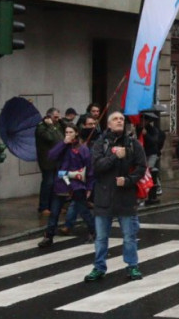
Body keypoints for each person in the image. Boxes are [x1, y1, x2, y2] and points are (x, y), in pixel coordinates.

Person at [85, 111, 146, 282]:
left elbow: (142, 168)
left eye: (121, 119)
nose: (119, 121)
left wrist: (128, 180)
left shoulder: (133, 144)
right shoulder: (100, 143)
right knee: (101, 237)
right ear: (109, 124)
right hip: (103, 196)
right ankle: (99, 267)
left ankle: (132, 266)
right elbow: (96, 166)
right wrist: (114, 156)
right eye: (115, 119)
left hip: (125, 197)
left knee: (129, 236)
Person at [39, 123, 95, 247]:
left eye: (70, 132)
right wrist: (63, 143)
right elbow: (51, 156)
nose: (68, 135)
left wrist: (89, 187)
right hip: (61, 183)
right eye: (66, 132)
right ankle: (48, 236)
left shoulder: (82, 149)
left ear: (76, 133)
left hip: (76, 184)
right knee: (54, 212)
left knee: (83, 210)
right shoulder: (62, 146)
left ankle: (93, 231)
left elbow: (89, 169)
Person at [35, 107, 64, 216]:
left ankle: (54, 206)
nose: (57, 119)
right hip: (47, 160)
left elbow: (62, 137)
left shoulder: (58, 125)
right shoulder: (41, 128)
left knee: (56, 184)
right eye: (55, 117)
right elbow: (52, 139)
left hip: (57, 159)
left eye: (58, 117)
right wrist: (50, 126)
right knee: (48, 183)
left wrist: (61, 121)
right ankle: (44, 206)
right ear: (49, 117)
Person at [137, 112, 166, 205]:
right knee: (142, 172)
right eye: (140, 120)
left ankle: (157, 187)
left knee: (149, 170)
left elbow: (154, 141)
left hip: (152, 153)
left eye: (143, 120)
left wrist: (146, 135)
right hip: (142, 153)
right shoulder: (138, 128)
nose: (141, 122)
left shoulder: (153, 129)